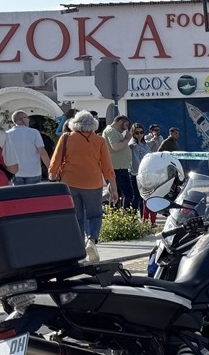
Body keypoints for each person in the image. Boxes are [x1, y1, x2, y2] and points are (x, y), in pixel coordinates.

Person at [48, 110, 117, 263]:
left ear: (74, 124)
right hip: (92, 182)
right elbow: (107, 166)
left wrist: (52, 174)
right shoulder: (99, 141)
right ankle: (91, 240)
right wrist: (113, 187)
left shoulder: (66, 138)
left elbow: (56, 159)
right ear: (93, 125)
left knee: (77, 216)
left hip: (70, 182)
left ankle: (79, 250)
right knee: (95, 214)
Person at [7, 109, 50, 186]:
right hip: (33, 172)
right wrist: (50, 168)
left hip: (16, 173)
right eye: (27, 117)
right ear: (22, 119)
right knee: (34, 197)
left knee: (19, 197)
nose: (28, 120)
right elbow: (42, 153)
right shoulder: (34, 133)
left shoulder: (7, 134)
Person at [103, 114, 136, 208]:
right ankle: (126, 215)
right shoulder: (111, 131)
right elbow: (115, 147)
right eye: (126, 125)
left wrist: (127, 147)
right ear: (120, 121)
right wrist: (127, 139)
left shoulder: (115, 132)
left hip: (120, 167)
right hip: (117, 168)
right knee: (128, 194)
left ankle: (118, 214)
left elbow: (119, 146)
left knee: (118, 194)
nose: (126, 129)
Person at [129, 123, 151, 219]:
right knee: (136, 197)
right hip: (135, 174)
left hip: (145, 174)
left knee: (144, 197)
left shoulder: (144, 144)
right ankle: (132, 219)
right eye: (136, 133)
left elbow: (149, 155)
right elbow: (135, 160)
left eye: (141, 132)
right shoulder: (132, 144)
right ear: (132, 133)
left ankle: (144, 219)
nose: (139, 135)